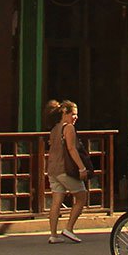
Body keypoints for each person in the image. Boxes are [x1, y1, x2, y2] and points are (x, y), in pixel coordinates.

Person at [45, 100, 90, 244]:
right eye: (73, 114)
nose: (75, 117)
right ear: (65, 113)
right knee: (82, 196)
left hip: (53, 169)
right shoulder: (68, 128)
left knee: (56, 201)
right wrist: (82, 168)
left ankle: (53, 234)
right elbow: (72, 149)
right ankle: (69, 228)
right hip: (64, 169)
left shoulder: (54, 128)